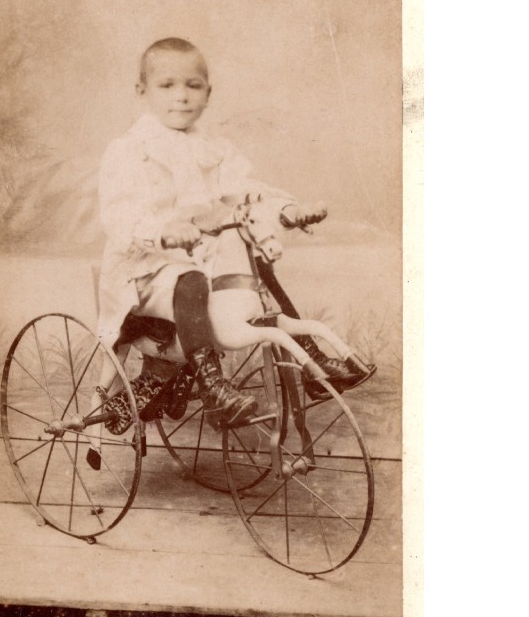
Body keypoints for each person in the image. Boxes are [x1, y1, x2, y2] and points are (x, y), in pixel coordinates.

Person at [97, 38, 363, 432]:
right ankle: (212, 386)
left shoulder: (213, 150)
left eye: (193, 86)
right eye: (167, 86)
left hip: (202, 256)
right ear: (142, 92)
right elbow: (120, 215)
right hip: (146, 269)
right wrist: (164, 231)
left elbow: (244, 188)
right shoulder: (129, 151)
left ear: (208, 92)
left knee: (257, 261)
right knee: (185, 279)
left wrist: (285, 209)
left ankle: (310, 354)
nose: (182, 97)